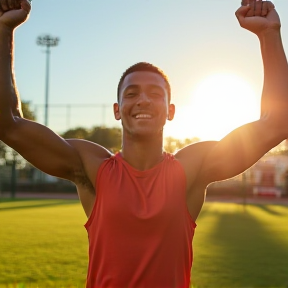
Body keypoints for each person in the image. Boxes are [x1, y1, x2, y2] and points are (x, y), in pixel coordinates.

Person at [1, 0, 288, 287]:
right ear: (117, 110)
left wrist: (269, 34)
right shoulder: (91, 167)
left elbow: (277, 122)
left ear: (170, 110)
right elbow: (8, 123)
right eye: (132, 93)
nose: (143, 100)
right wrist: (3, 30)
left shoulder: (191, 168)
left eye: (154, 93)